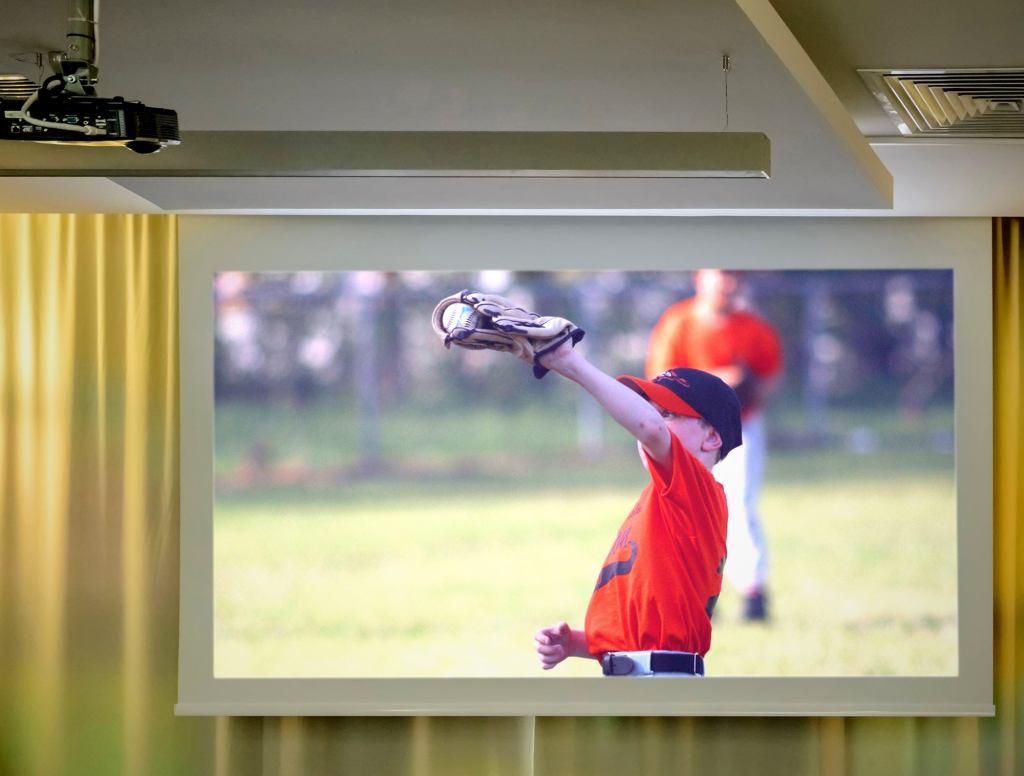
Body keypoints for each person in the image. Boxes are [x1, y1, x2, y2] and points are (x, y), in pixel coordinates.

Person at [532, 339, 742, 676]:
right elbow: (647, 621)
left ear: (712, 438)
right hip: (635, 676)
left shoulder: (695, 491)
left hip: (663, 680)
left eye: (667, 414)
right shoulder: (659, 501)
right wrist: (577, 643)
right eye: (649, 409)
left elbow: (649, 428)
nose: (650, 423)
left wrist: (569, 362)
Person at [646, 269, 783, 621]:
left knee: (739, 504)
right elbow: (662, 380)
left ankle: (753, 592)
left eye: (733, 275)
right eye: (719, 274)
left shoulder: (753, 328)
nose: (727, 282)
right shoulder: (679, 322)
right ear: (699, 278)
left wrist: (747, 393)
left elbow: (769, 377)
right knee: (685, 509)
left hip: (740, 426)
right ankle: (695, 593)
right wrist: (724, 380)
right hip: (688, 432)